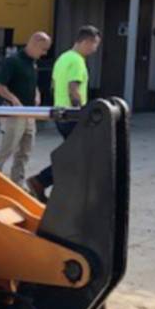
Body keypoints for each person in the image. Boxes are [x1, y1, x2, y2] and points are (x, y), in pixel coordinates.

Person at [28, 25, 102, 200]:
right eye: (95, 44)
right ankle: (42, 181)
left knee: (75, 154)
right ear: (86, 41)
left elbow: (54, 86)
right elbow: (73, 88)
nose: (95, 49)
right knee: (79, 155)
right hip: (72, 115)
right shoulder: (77, 61)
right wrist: (80, 112)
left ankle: (45, 183)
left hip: (60, 113)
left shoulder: (62, 58)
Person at [0, 31, 52, 186]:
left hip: (29, 113)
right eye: (43, 49)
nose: (44, 53)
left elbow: (31, 81)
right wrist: (13, 99)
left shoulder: (32, 63)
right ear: (35, 43)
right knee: (6, 149)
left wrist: (36, 93)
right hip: (14, 113)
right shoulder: (13, 61)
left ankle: (18, 182)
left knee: (25, 151)